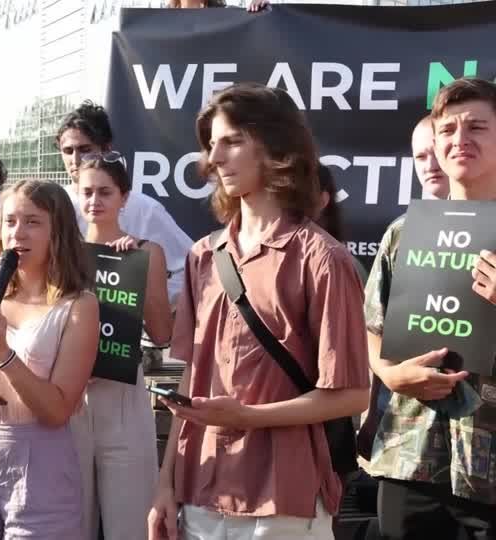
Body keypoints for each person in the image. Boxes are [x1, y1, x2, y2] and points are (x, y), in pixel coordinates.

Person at [148, 83, 370, 540]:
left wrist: (246, 417)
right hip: (200, 489)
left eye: (232, 141)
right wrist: (165, 483)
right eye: (212, 145)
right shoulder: (202, 256)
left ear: (275, 147)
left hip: (283, 500)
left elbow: (351, 396)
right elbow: (189, 383)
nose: (215, 158)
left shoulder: (322, 258)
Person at [363, 78, 496, 540]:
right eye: (448, 131)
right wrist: (389, 374)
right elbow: (373, 326)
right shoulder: (403, 232)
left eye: (477, 127)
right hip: (410, 458)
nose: (460, 141)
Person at [0, 179, 100, 538]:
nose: (19, 233)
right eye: (11, 221)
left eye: (33, 222)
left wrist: (2, 350)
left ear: (58, 231)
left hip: (42, 466)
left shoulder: (79, 306)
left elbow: (57, 410)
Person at [71, 154, 172, 539]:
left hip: (126, 399)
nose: (95, 200)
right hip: (71, 401)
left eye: (105, 192)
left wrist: (135, 275)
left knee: (129, 527)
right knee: (71, 524)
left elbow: (162, 334)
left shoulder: (146, 253)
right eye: (87, 192)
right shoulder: (63, 256)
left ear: (125, 197)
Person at [56, 101, 192, 372]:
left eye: (85, 149)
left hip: (122, 359)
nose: (75, 159)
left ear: (106, 148)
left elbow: (189, 266)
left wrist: (136, 294)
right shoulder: (53, 205)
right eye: (67, 150)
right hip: (62, 359)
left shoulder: (145, 209)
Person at [411, 115, 450, 200]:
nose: (430, 166)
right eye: (420, 157)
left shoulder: (485, 212)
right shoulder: (412, 213)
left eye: (438, 154)